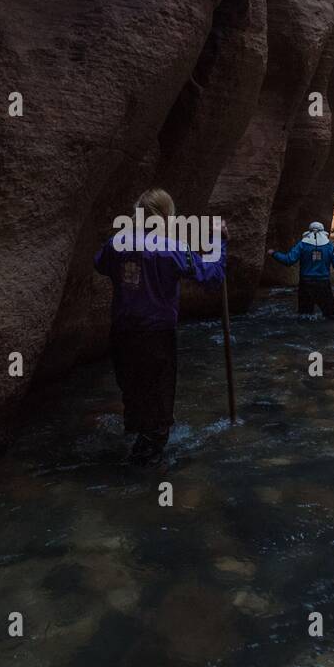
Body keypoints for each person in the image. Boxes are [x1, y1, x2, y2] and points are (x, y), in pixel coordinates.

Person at [95, 189, 227, 463]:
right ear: (167, 216)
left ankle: (133, 451)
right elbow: (212, 277)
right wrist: (219, 242)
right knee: (157, 402)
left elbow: (101, 264)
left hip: (121, 334)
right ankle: (141, 475)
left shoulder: (116, 243)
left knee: (134, 394)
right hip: (155, 336)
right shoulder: (172, 249)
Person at [268, 221, 334, 318]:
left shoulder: (302, 245)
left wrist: (274, 253)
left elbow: (289, 260)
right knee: (331, 315)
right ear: (323, 232)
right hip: (323, 284)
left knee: (304, 316)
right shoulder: (329, 246)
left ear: (309, 231)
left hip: (305, 284)